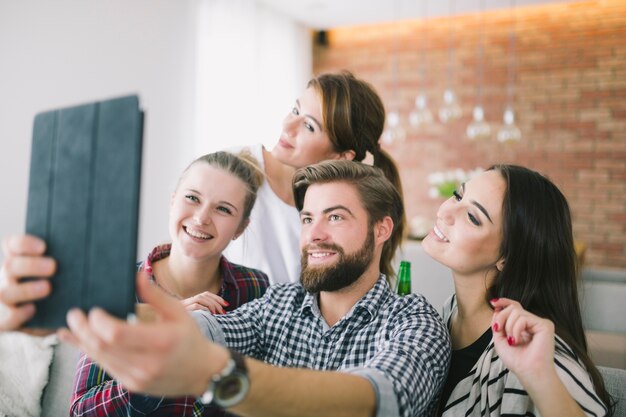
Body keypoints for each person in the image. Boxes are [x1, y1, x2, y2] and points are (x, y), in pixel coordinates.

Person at [0, 160, 450, 417]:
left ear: (381, 229)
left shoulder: (414, 321)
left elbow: (378, 399)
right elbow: (205, 331)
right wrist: (69, 305)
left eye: (335, 217)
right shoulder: (279, 302)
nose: (314, 234)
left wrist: (216, 373)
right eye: (308, 219)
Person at [70, 151, 270, 416]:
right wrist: (160, 350)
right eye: (192, 198)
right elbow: (81, 411)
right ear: (173, 200)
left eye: (223, 209)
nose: (201, 218)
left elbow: (263, 396)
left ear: (240, 229)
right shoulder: (117, 286)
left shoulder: (256, 288)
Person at [420, 165, 612, 417]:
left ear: (507, 258)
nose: (445, 211)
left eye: (473, 217)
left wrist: (540, 377)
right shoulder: (444, 315)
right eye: (458, 195)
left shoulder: (537, 353)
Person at [224, 70, 405, 285]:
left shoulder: (342, 213)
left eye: (309, 126)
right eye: (295, 110)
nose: (287, 127)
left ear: (341, 156)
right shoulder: (232, 169)